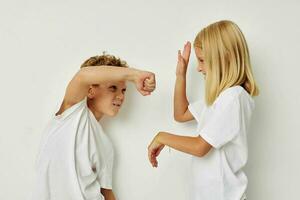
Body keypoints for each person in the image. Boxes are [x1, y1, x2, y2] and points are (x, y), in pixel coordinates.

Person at [148, 20, 259, 200]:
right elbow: (180, 114)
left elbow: (200, 147)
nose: (199, 68)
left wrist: (162, 137)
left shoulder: (233, 98)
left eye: (202, 60)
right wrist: (180, 75)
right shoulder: (219, 99)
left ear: (225, 57)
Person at [32, 53, 156, 200]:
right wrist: (134, 75)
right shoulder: (72, 114)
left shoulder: (106, 145)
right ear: (90, 90)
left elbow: (107, 192)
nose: (121, 96)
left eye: (123, 90)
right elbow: (83, 75)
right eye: (113, 88)